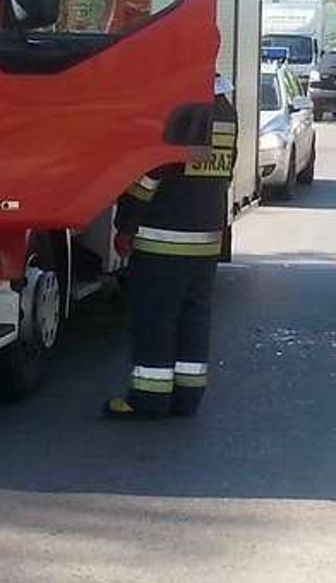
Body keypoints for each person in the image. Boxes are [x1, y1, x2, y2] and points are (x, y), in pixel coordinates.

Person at [103, 75, 237, 420]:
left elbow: (150, 175)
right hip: (206, 238)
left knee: (155, 319)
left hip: (163, 237)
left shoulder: (180, 107)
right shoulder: (225, 110)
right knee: (194, 318)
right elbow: (224, 168)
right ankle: (187, 397)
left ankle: (149, 399)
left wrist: (125, 223)